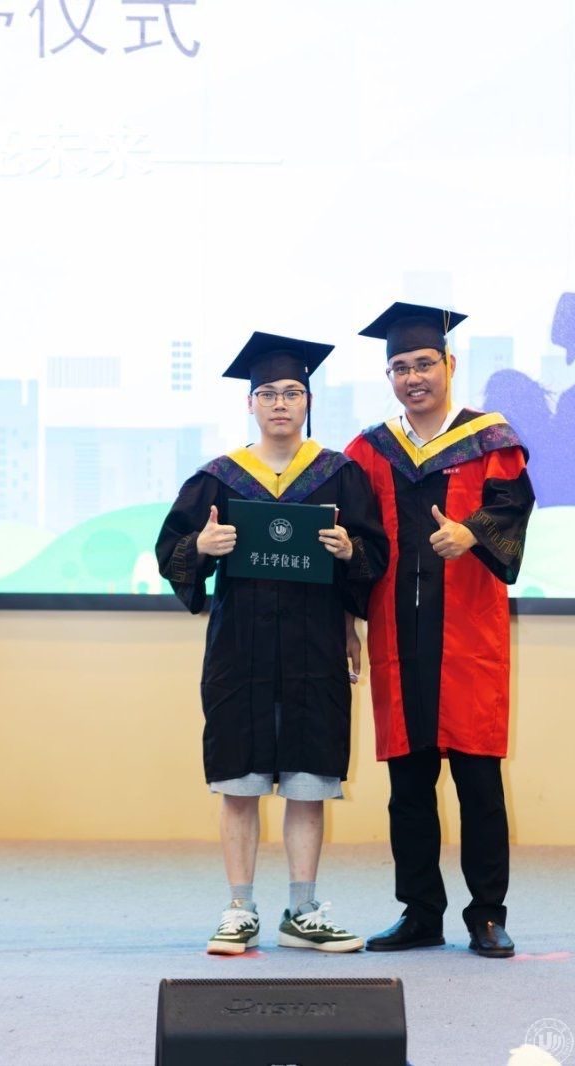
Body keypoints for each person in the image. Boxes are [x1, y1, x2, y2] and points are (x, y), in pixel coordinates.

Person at [156, 331, 388, 956]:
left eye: (292, 392)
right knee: (240, 780)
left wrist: (351, 552)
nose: (280, 403)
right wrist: (201, 547)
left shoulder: (340, 474)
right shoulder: (218, 478)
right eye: (268, 394)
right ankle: (239, 909)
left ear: (308, 401)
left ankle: (302, 910)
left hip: (315, 648)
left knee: (309, 783)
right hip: (241, 650)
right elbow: (171, 552)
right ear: (250, 403)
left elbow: (374, 556)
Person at [345, 302, 534, 958]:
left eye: (423, 363)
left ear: (450, 364)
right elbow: (357, 537)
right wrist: (347, 618)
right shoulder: (370, 451)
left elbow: (512, 507)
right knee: (408, 789)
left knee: (480, 784)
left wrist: (472, 532)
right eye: (399, 367)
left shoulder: (490, 440)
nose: (413, 377)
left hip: (468, 639)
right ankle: (420, 913)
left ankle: (487, 916)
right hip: (398, 639)